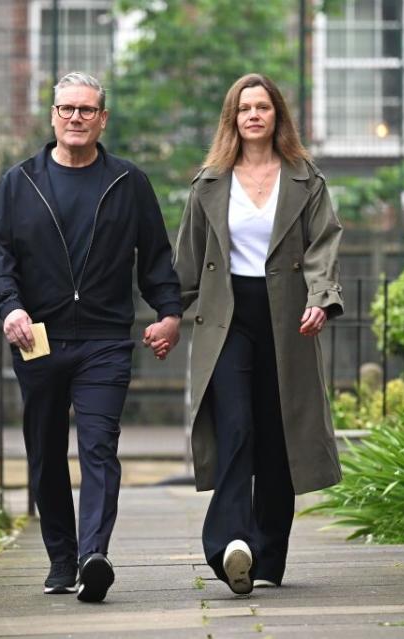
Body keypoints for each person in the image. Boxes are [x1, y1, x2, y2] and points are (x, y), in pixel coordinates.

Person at [0, 72, 182, 603]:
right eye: (67, 109)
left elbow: (157, 256)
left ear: (102, 119)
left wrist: (169, 312)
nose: (76, 118)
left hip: (104, 340)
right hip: (38, 339)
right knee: (46, 451)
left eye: (87, 110)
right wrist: (11, 308)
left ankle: (94, 554)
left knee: (99, 446)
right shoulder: (19, 183)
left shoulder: (128, 182)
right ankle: (61, 560)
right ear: (52, 116)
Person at [150, 73, 345, 595]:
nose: (254, 115)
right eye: (244, 108)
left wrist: (319, 299)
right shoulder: (210, 182)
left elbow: (324, 244)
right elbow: (185, 260)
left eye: (263, 106)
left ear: (277, 116)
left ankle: (267, 554)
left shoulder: (306, 179)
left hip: (286, 319)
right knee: (235, 426)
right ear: (232, 119)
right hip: (226, 317)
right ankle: (231, 543)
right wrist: (171, 316)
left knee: (278, 436)